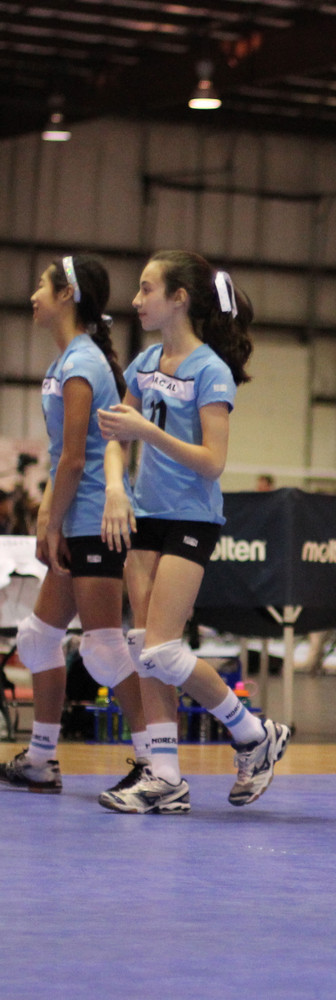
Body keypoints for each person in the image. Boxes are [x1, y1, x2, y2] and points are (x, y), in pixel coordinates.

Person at [96, 250, 289, 813]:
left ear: (178, 298)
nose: (137, 300)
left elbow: (212, 461)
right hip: (145, 515)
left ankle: (253, 732)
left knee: (161, 649)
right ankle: (164, 777)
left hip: (191, 518)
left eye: (147, 289)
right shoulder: (145, 362)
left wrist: (146, 433)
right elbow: (116, 435)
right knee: (143, 649)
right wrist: (115, 489)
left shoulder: (210, 371)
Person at [0, 255, 148, 797]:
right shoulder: (68, 361)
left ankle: (156, 761)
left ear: (67, 295)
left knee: (105, 649)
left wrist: (48, 520)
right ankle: (41, 760)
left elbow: (73, 458)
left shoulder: (82, 362)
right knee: (38, 640)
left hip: (94, 521)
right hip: (77, 520)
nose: (33, 294)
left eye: (42, 285)